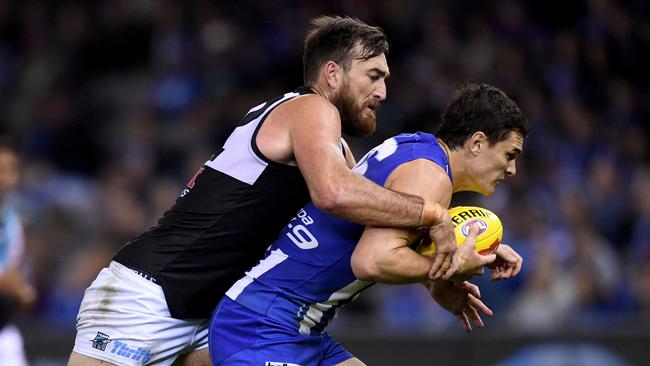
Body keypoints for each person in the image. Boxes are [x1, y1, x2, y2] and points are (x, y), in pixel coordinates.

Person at [69, 16, 464, 366]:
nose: (382, 93)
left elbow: (353, 231)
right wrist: (432, 213)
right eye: (374, 76)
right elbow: (335, 194)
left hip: (214, 315)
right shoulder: (309, 109)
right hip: (150, 295)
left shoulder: (334, 148)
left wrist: (451, 263)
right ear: (332, 74)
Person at [209, 83, 530, 365]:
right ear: (476, 143)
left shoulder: (414, 148)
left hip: (292, 325)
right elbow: (371, 260)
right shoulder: (431, 177)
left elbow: (382, 236)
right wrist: (449, 268)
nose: (513, 169)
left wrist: (444, 273)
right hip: (262, 323)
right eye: (509, 154)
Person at [0, 138, 36, 366]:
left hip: (4, 332)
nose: (4, 178)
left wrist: (23, 292)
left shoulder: (13, 224)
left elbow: (16, 275)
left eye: (10, 170)